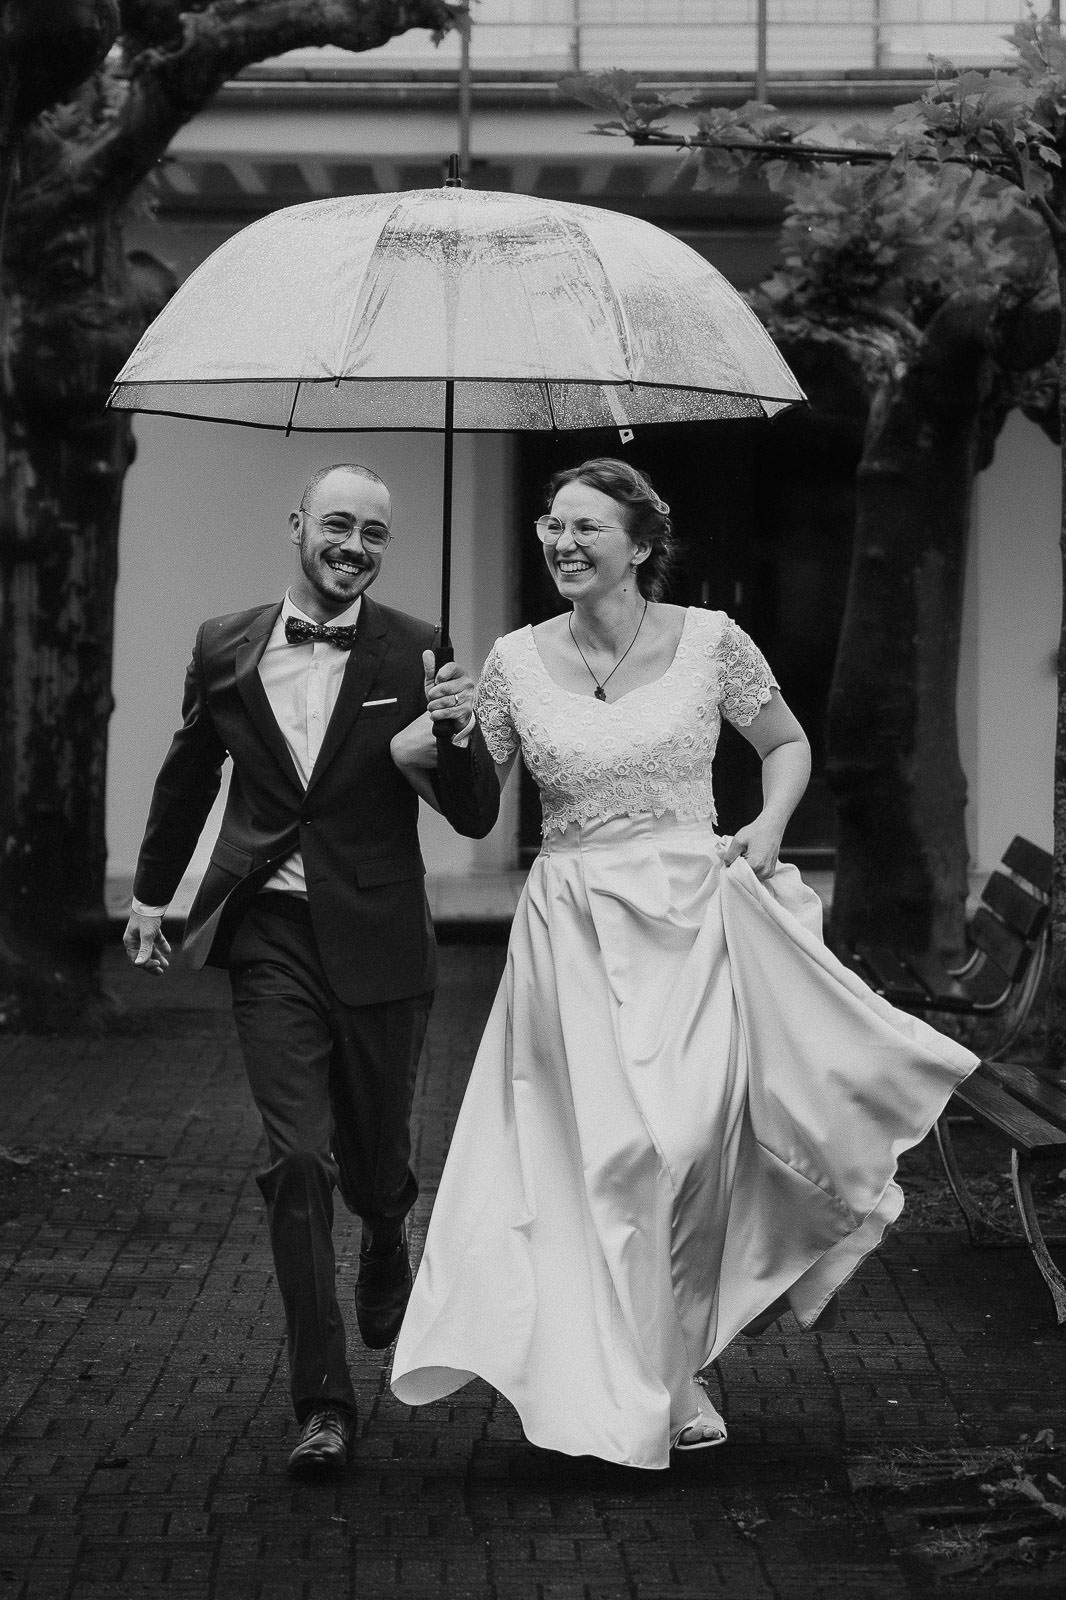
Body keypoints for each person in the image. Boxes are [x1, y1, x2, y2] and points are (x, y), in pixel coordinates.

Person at [388, 456, 978, 1470]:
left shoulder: (711, 641)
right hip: (570, 929)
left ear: (641, 543)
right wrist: (433, 741)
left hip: (690, 918)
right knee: (607, 1162)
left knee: (685, 1142)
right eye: (550, 526)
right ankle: (646, 1380)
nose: (561, 543)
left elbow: (786, 743)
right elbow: (470, 798)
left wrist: (765, 824)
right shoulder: (514, 660)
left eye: (585, 527)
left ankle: (674, 1350)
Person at [123, 463, 499, 1481]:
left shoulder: (419, 647)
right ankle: (322, 1397)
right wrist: (154, 895)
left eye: (374, 533)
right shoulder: (224, 644)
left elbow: (473, 815)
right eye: (338, 525)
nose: (355, 546)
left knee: (375, 1162)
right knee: (297, 1159)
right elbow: (189, 770)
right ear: (298, 526)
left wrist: (460, 733)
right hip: (270, 938)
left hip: (379, 936)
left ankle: (386, 1226)